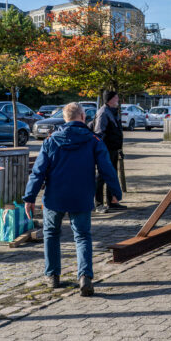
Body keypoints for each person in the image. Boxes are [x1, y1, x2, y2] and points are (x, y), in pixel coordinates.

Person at [23, 102, 122, 297]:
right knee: (83, 236)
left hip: (55, 196)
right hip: (82, 196)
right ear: (83, 117)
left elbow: (38, 172)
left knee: (51, 234)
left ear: (65, 119)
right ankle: (85, 276)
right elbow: (107, 168)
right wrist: (115, 191)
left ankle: (52, 276)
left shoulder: (51, 141)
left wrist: (30, 197)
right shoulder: (93, 140)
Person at [93, 90, 126, 212]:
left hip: (113, 149)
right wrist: (100, 151)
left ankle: (112, 202)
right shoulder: (103, 112)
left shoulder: (112, 111)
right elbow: (98, 133)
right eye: (116, 97)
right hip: (105, 150)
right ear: (110, 99)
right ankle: (98, 204)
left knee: (112, 175)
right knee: (101, 176)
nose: (118, 99)